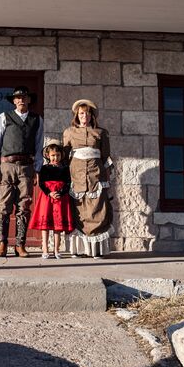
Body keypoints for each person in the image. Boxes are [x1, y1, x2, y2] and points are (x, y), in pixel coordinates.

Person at [0, 85, 43, 257]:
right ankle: (2, 243)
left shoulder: (37, 119)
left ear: (29, 100)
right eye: (17, 98)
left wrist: (38, 169)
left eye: (23, 97)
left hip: (26, 167)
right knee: (4, 205)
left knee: (24, 205)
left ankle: (20, 244)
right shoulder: (5, 117)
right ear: (13, 101)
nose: (20, 100)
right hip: (7, 166)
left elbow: (39, 146)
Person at [62, 99, 113, 257]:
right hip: (76, 175)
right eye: (81, 113)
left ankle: (96, 250)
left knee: (96, 210)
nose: (84, 116)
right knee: (79, 210)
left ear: (92, 116)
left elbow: (106, 157)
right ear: (77, 115)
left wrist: (107, 177)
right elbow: (64, 156)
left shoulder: (101, 133)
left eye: (87, 113)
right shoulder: (69, 132)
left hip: (96, 175)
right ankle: (80, 250)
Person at [28, 141, 74, 259]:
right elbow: (41, 183)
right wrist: (50, 193)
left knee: (57, 225)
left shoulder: (65, 168)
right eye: (53, 155)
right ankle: (45, 249)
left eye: (58, 155)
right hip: (47, 198)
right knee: (46, 224)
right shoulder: (44, 168)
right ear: (48, 156)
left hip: (60, 198)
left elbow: (68, 183)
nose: (55, 158)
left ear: (61, 155)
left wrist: (60, 193)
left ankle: (56, 250)